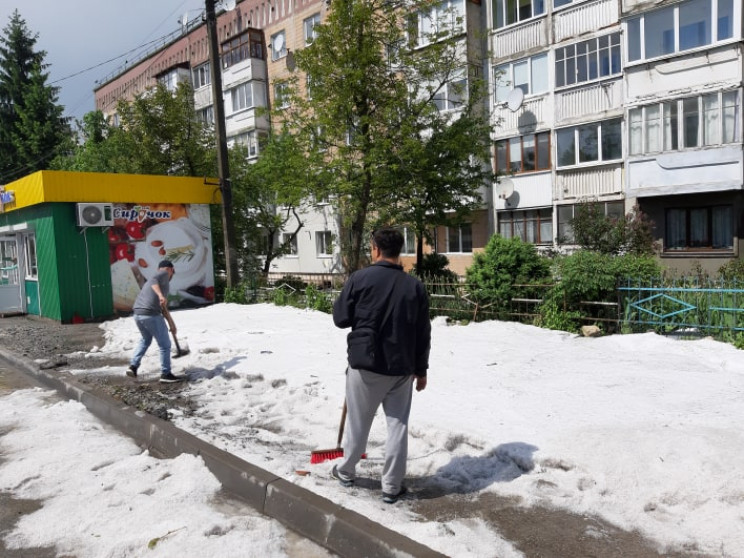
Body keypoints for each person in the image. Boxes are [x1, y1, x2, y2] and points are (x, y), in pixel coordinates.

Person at [331, 227, 431, 504]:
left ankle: (347, 472)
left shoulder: (359, 279)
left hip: (365, 365)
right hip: (402, 369)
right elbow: (423, 332)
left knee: (358, 422)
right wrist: (421, 370)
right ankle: (391, 486)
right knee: (397, 426)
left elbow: (340, 318)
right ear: (399, 251)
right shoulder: (415, 286)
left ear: (375, 249)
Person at [126, 260, 182, 383]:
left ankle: (133, 366)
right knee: (165, 345)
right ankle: (165, 374)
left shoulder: (161, 283)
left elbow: (163, 308)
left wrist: (172, 324)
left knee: (146, 340)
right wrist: (160, 295)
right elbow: (152, 281)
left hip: (138, 314)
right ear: (171, 269)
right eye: (172, 272)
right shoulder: (164, 274)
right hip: (150, 314)